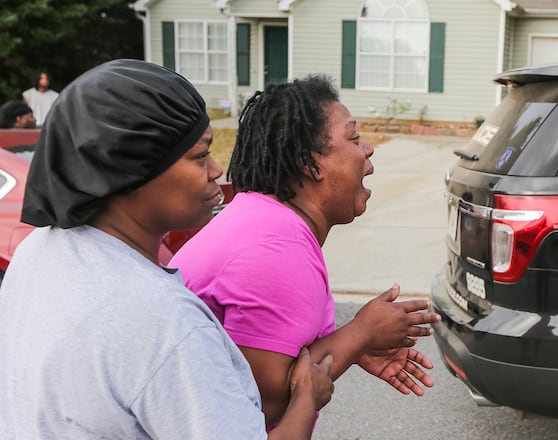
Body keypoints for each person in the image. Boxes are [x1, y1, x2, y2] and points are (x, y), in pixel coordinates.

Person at [0, 59, 334, 439]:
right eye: (199, 155)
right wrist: (308, 397)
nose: (216, 169)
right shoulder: (167, 323)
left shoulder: (37, 253)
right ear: (132, 170)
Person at [170, 74, 441, 430]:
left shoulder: (263, 219)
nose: (368, 148)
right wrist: (361, 333)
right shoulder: (277, 248)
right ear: (309, 164)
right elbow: (263, 407)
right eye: (354, 138)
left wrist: (351, 346)